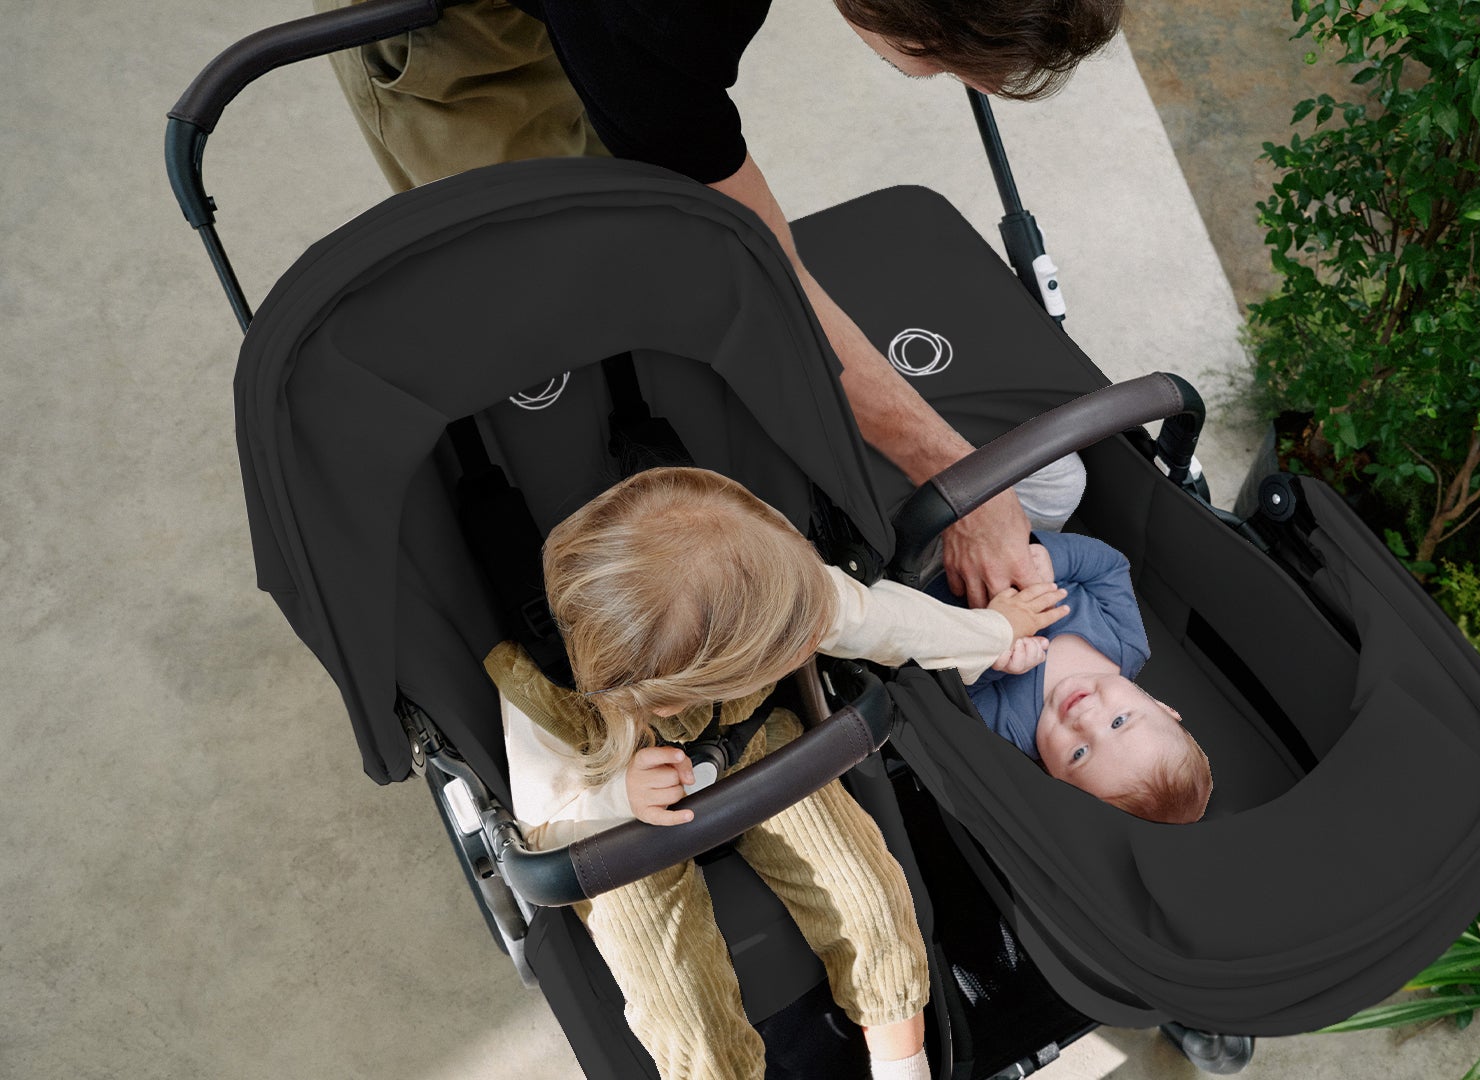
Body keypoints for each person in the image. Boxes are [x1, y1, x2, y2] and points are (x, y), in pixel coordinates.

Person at [315, 0, 1122, 607]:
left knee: (642, 194)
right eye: (943, 64)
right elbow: (759, 275)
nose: (956, 82)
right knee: (547, 264)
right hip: (466, 32)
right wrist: (954, 479)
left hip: (620, 33)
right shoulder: (661, 14)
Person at [493, 466, 1070, 1080]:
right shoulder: (540, 698)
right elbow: (544, 829)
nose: (811, 640)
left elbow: (883, 622)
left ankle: (902, 1064)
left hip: (753, 747)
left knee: (870, 901)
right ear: (669, 701)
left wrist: (995, 631)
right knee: (681, 1003)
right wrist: (617, 797)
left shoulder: (774, 583)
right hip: (618, 824)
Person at [928, 530, 1213, 824]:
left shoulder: (1013, 732)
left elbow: (950, 684)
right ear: (1162, 707)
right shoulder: (1127, 640)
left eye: (1079, 753)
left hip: (934, 579)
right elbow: (1110, 567)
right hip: (1017, 541)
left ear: (1055, 776)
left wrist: (994, 661)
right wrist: (1054, 559)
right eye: (1118, 722)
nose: (1085, 720)